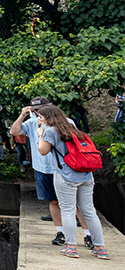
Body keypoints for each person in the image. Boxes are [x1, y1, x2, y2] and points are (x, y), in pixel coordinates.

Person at [10, 97, 90, 247]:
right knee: (53, 201)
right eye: (35, 110)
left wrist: (42, 133)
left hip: (64, 168)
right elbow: (14, 131)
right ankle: (61, 232)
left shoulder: (66, 122)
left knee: (75, 203)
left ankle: (88, 234)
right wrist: (22, 115)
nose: (38, 113)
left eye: (40, 110)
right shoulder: (31, 123)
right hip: (42, 169)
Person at [35, 104, 109, 260]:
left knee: (67, 210)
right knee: (89, 211)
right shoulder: (72, 128)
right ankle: (100, 248)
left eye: (40, 117)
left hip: (66, 175)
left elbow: (43, 151)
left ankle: (70, 247)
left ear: (48, 117)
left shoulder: (51, 131)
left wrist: (40, 134)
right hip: (86, 175)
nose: (39, 120)